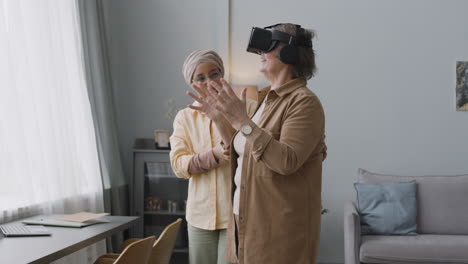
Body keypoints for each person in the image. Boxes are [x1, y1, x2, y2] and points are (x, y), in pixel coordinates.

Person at [187, 24, 327, 264]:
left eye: (269, 46)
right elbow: (242, 152)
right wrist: (220, 119)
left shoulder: (304, 103)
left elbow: (286, 161)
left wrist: (241, 119)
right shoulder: (265, 100)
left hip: (278, 231)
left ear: (290, 54)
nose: (261, 53)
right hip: (245, 223)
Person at [169, 50, 257, 264]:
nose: (209, 81)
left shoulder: (247, 108)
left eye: (214, 73)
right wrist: (214, 156)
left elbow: (257, 152)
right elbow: (179, 165)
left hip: (237, 213)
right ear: (192, 83)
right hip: (199, 216)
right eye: (200, 78)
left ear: (223, 75)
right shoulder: (184, 117)